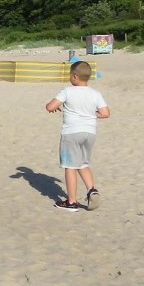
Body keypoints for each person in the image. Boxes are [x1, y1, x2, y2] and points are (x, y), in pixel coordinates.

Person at [45, 61, 110, 211]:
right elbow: (106, 113)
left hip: (72, 132)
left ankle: (72, 202)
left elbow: (50, 106)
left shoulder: (67, 91)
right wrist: (88, 114)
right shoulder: (95, 93)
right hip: (89, 132)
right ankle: (91, 189)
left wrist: (54, 108)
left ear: (74, 77)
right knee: (83, 163)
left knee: (70, 166)